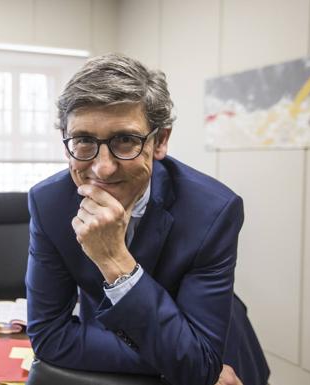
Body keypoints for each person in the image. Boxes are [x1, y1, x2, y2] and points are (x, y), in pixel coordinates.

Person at [26, 53, 270, 385]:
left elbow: (202, 358)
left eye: (125, 140)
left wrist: (113, 259)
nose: (102, 168)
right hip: (125, 345)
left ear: (161, 140)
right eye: (83, 140)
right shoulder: (48, 203)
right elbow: (49, 337)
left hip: (221, 350)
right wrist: (185, 360)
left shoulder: (213, 210)